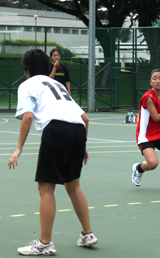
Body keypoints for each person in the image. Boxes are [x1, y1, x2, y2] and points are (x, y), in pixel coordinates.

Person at [8, 49, 97, 256]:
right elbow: (85, 118)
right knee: (73, 186)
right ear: (47, 67)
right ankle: (88, 234)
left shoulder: (27, 85)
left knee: (46, 189)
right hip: (77, 131)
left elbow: (28, 117)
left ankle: (45, 243)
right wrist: (82, 145)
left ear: (26, 70)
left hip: (56, 130)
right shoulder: (57, 84)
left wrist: (19, 147)